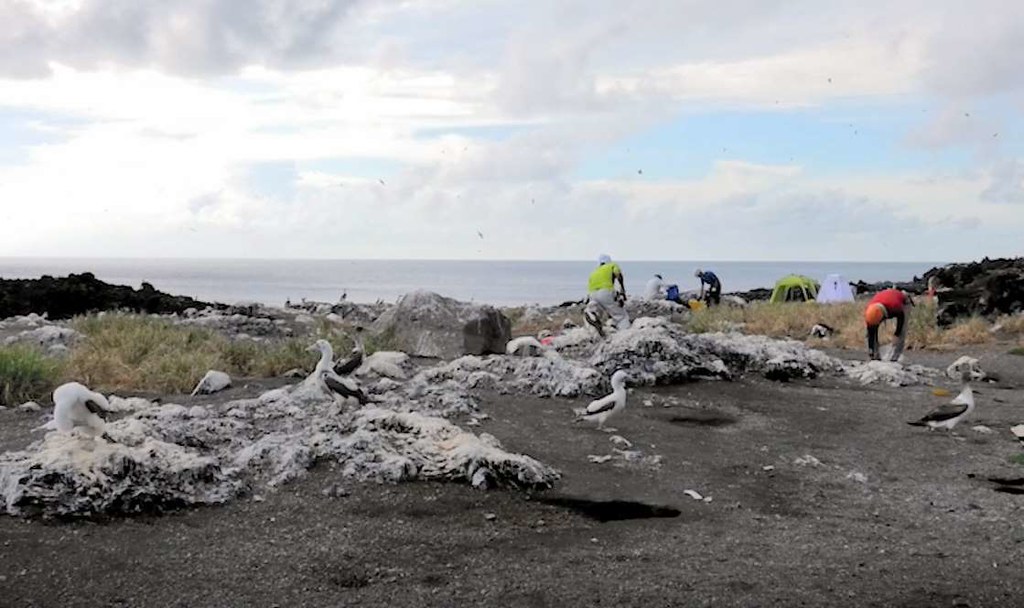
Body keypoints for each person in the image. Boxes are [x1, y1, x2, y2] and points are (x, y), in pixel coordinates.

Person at [585, 254, 630, 337]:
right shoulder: (612, 265)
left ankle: (593, 316)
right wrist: (622, 290)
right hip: (605, 292)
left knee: (599, 311)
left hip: (592, 295)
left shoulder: (594, 272)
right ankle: (624, 333)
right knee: (621, 315)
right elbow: (618, 275)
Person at [865, 288, 914, 361]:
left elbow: (901, 319)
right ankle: (874, 355)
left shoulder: (895, 306)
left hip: (903, 301)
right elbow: (871, 333)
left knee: (902, 331)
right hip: (884, 300)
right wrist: (871, 350)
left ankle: (895, 357)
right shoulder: (869, 312)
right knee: (869, 333)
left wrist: (896, 334)